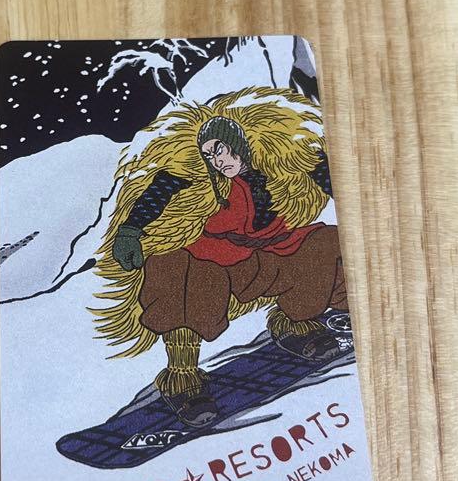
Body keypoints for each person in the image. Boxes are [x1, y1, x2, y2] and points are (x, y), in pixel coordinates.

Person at [95, 89, 345, 427]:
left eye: (220, 150)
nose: (217, 161)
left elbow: (321, 171)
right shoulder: (205, 182)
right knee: (178, 272)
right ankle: (182, 378)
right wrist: (131, 229)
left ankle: (294, 325)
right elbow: (163, 187)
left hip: (271, 249)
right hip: (217, 259)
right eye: (209, 156)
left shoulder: (281, 164)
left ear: (238, 144)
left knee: (324, 244)